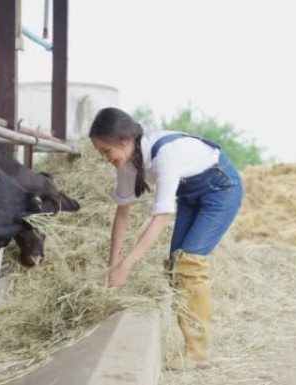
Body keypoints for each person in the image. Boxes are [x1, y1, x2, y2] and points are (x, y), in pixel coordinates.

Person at [89, 107, 243, 370]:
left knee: (189, 262)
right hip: (191, 195)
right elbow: (122, 215)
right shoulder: (127, 165)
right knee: (174, 265)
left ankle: (198, 352)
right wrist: (112, 267)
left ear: (125, 141)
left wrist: (126, 267)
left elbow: (161, 217)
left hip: (221, 189)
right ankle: (188, 342)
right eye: (100, 153)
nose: (105, 158)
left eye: (106, 151)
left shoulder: (165, 154)